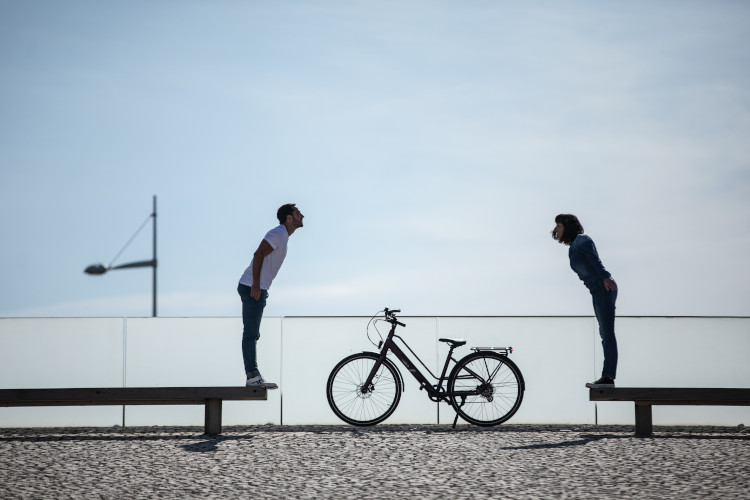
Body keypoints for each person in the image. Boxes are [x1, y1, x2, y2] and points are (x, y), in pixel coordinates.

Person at [238, 203, 304, 387]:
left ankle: (253, 375)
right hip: (252, 286)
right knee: (251, 334)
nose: (302, 216)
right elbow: (258, 254)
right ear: (289, 218)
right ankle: (252, 377)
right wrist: (257, 285)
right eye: (298, 213)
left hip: (256, 286)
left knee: (252, 334)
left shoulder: (283, 236)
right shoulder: (279, 232)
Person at [552, 214, 618, 388]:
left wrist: (605, 277)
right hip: (596, 291)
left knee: (607, 334)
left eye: (558, 225)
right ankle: (607, 377)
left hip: (603, 288)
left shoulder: (582, 240)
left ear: (567, 225)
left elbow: (595, 260)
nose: (556, 229)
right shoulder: (574, 245)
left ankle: (608, 378)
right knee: (605, 334)